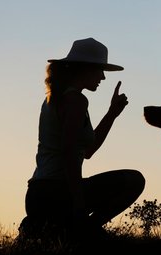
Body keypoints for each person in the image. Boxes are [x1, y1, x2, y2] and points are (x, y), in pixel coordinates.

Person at [20, 38, 145, 242]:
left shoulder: (56, 98)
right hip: (57, 191)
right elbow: (68, 151)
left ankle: (55, 227)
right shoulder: (76, 100)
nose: (103, 77)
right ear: (85, 69)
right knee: (134, 180)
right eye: (99, 70)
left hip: (39, 194)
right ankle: (82, 228)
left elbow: (87, 151)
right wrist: (78, 203)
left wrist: (112, 114)